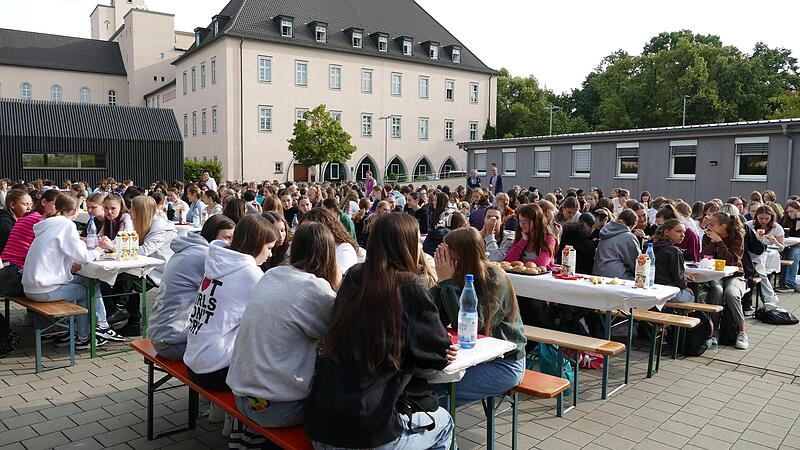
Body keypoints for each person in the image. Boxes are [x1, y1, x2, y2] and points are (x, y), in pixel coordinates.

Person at [304, 213, 456, 449]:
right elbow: (437, 356)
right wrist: (446, 284)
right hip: (366, 430)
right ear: (406, 245)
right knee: (444, 423)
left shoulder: (354, 277)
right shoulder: (409, 286)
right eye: (416, 241)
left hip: (321, 424)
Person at [227, 222, 339, 428]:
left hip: (241, 397)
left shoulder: (271, 275)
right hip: (278, 409)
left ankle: (245, 435)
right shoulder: (316, 289)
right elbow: (337, 335)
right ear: (329, 255)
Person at [432, 228, 526, 405]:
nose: (444, 259)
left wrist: (447, 283)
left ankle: (441, 423)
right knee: (426, 385)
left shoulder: (495, 278)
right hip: (472, 357)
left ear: (464, 255)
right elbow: (436, 318)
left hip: (506, 363)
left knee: (443, 395)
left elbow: (473, 326)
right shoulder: (456, 275)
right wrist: (441, 284)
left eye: (448, 253)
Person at [183, 215, 277, 391]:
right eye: (269, 248)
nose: (270, 254)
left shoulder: (217, 260)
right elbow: (274, 318)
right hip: (216, 371)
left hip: (193, 361)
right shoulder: (250, 273)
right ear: (256, 244)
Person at [22, 194, 117, 349]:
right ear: (75, 210)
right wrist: (98, 251)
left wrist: (70, 262)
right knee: (85, 292)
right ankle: (84, 336)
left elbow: (56, 253)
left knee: (88, 282)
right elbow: (83, 257)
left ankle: (95, 326)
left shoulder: (47, 224)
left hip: (32, 285)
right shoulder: (66, 224)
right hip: (44, 289)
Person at [147, 215, 235, 360]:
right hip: (173, 343)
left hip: (160, 334)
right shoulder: (205, 257)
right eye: (227, 238)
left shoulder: (188, 249)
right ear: (212, 236)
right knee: (234, 346)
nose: (231, 244)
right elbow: (227, 294)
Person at [700, 211, 748, 349]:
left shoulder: (737, 237)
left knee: (731, 293)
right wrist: (712, 241)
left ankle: (742, 331)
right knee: (716, 290)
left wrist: (719, 242)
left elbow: (732, 260)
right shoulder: (708, 236)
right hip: (715, 275)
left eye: (712, 224)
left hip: (735, 275)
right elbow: (704, 257)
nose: (708, 227)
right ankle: (714, 330)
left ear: (723, 226)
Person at [301, 208, 360, 275]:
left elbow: (338, 278)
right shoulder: (305, 248)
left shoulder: (344, 250)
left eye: (311, 231)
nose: (304, 235)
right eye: (302, 231)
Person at [747, 205, 783, 308]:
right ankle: (769, 299)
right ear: (756, 217)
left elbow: (781, 248)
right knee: (760, 270)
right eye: (761, 218)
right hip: (752, 254)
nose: (763, 221)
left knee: (760, 270)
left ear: (772, 217)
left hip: (769, 257)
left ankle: (768, 299)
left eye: (767, 218)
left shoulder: (776, 227)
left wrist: (774, 241)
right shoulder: (749, 225)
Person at [652, 219, 695, 302]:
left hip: (651, 289)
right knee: (691, 296)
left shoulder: (651, 246)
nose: (683, 235)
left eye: (684, 232)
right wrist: (685, 284)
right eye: (678, 231)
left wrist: (683, 276)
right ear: (667, 232)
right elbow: (679, 281)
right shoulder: (674, 251)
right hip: (667, 291)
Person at [505, 203, 557, 269]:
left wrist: (519, 263)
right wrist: (523, 241)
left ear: (536, 222)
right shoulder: (521, 235)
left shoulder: (548, 239)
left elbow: (541, 264)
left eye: (525, 222)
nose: (521, 225)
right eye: (520, 221)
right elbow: (509, 260)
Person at [593, 209, 640, 280]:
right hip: (616, 278)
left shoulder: (606, 231)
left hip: (597, 274)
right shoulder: (629, 237)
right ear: (633, 225)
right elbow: (636, 263)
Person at [0, 190, 33, 255]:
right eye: (26, 204)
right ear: (12, 205)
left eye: (31, 204)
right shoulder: (5, 223)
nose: (29, 208)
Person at [778, 200, 800, 292]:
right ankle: (782, 281)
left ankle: (789, 283)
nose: (789, 214)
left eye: (791, 211)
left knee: (793, 253)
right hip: (787, 244)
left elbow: (798, 234)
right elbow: (779, 230)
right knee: (781, 252)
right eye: (788, 212)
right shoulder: (785, 218)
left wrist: (798, 220)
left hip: (798, 245)